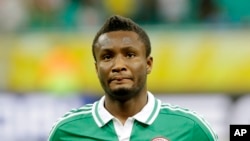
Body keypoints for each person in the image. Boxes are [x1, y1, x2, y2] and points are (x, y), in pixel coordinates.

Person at [48, 15, 218, 141]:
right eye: (107, 57)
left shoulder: (190, 128)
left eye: (129, 55)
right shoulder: (66, 131)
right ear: (96, 68)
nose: (118, 65)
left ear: (148, 64)